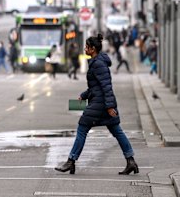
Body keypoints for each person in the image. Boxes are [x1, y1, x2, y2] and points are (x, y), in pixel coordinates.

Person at [55, 34, 138, 175]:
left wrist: (110, 106)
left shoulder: (98, 64)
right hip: (102, 102)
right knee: (117, 131)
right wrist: (84, 95)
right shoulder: (97, 61)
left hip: (100, 105)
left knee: (82, 128)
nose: (85, 49)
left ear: (93, 49)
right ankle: (131, 161)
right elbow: (96, 87)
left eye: (87, 47)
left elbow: (106, 86)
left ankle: (71, 161)